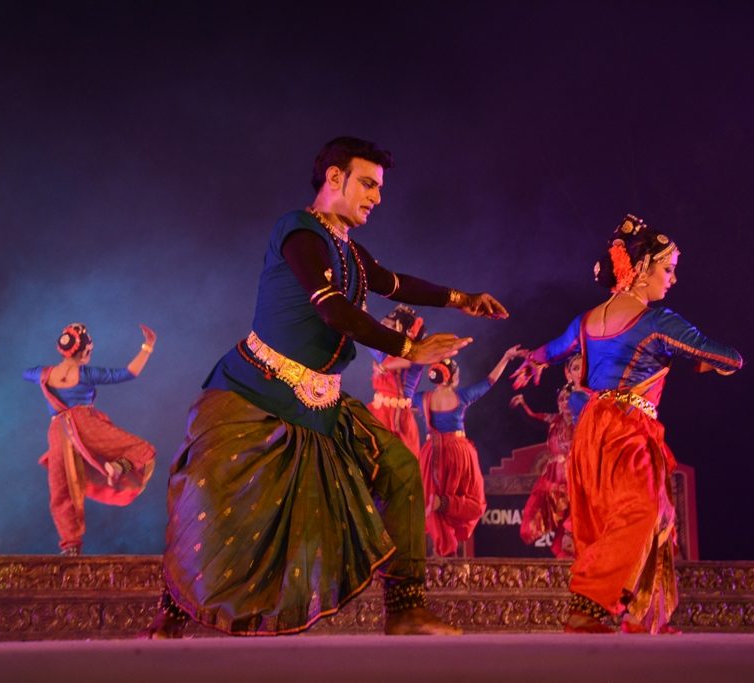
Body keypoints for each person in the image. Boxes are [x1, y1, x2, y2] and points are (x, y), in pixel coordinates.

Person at [148, 136, 508, 638]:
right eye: (367, 184)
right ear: (334, 178)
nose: (376, 198)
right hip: (257, 391)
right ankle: (172, 613)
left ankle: (405, 609)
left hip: (321, 400)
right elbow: (334, 310)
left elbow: (394, 283)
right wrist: (409, 349)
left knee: (402, 468)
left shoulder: (349, 250)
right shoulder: (298, 232)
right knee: (216, 506)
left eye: (379, 189)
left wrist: (462, 298)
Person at [512, 214, 743, 634]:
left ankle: (631, 613)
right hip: (628, 427)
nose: (671, 281)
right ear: (640, 270)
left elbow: (550, 350)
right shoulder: (658, 322)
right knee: (643, 510)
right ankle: (592, 603)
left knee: (607, 518)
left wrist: (531, 363)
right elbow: (730, 357)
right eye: (667, 270)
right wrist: (709, 364)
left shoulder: (586, 320)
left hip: (591, 427)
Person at [23, 323, 157, 555]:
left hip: (58, 433)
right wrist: (147, 346)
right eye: (89, 351)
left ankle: (71, 545)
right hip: (87, 424)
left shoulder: (44, 374)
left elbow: (27, 372)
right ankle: (119, 465)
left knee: (62, 488)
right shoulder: (86, 374)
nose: (90, 355)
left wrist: (47, 374)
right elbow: (128, 373)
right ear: (84, 353)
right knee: (143, 449)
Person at [412, 345, 525, 557]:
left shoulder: (422, 398)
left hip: (431, 455)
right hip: (458, 453)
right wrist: (506, 357)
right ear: (453, 377)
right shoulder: (462, 396)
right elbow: (489, 381)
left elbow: (401, 396)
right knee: (474, 501)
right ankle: (446, 505)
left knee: (429, 499)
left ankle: (444, 544)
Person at [511, 354, 591, 558]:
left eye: (568, 399)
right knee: (538, 519)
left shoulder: (585, 415)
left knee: (576, 525)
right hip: (555, 479)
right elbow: (534, 418)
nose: (565, 403)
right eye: (561, 399)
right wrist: (522, 405)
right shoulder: (554, 420)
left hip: (579, 476)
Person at [367, 304, 426, 457]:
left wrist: (385, 367)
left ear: (401, 329)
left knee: (402, 465)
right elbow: (365, 333)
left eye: (387, 326)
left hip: (401, 420)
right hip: (379, 413)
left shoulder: (416, 354)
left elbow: (410, 361)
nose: (383, 329)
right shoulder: (383, 354)